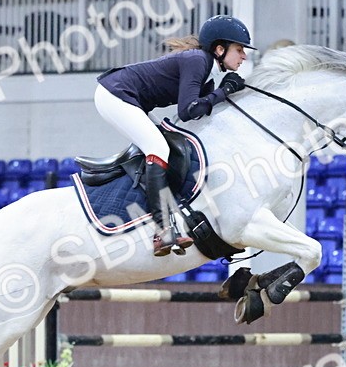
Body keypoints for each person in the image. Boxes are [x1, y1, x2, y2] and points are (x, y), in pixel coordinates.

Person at [95, 14, 255, 256]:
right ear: (220, 49)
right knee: (158, 149)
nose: (244, 56)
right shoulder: (198, 60)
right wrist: (224, 91)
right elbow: (188, 110)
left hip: (130, 99)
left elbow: (200, 113)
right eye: (239, 49)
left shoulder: (209, 73)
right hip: (115, 94)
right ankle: (162, 230)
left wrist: (224, 92)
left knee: (169, 145)